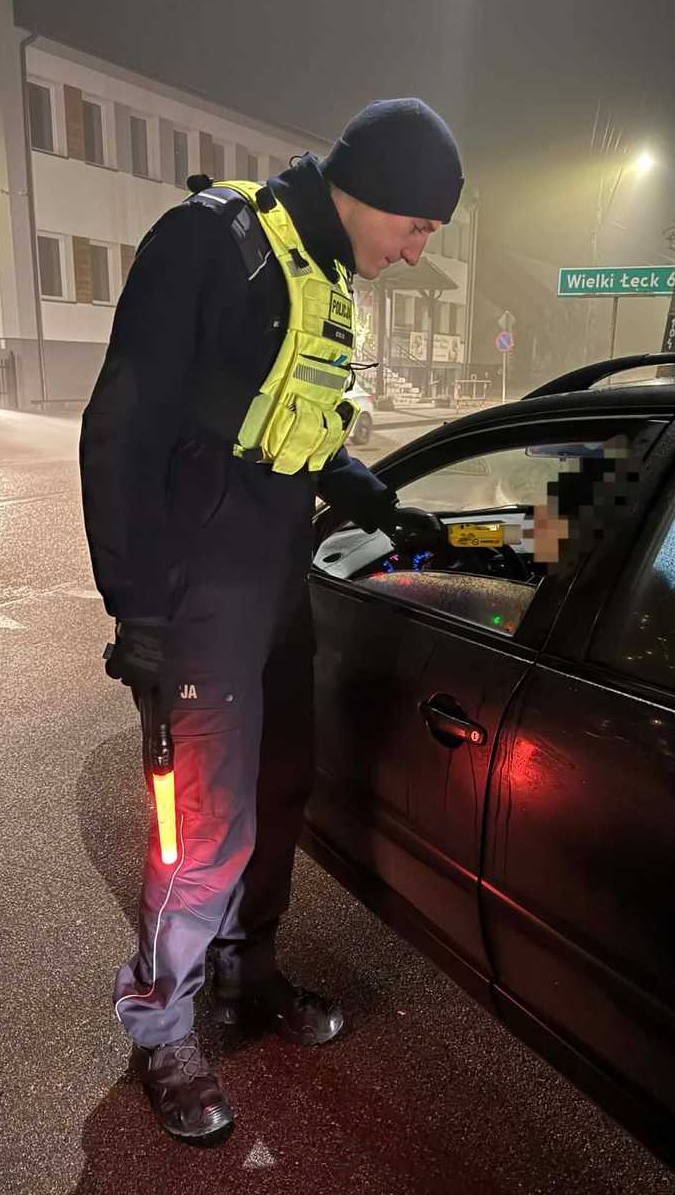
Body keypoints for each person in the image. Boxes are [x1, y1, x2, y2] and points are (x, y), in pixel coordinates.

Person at [80, 98, 464, 1142]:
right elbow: (120, 428)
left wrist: (368, 491)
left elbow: (282, 424)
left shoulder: (322, 273)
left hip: (275, 585)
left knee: (281, 789)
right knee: (201, 826)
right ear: (371, 190)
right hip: (196, 595)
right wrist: (135, 606)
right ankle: (160, 1026)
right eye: (419, 226)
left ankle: (248, 976)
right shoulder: (212, 243)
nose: (419, 252)